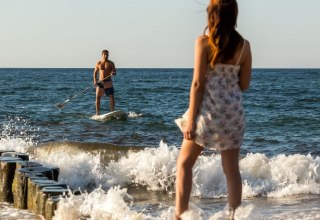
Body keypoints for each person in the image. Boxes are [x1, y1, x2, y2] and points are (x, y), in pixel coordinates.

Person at [174, 0, 252, 219]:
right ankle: (235, 215)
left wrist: (190, 120)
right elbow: (244, 85)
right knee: (231, 171)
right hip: (232, 117)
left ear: (211, 15)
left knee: (184, 164)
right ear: (234, 15)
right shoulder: (244, 46)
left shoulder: (204, 43)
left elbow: (198, 84)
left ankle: (180, 214)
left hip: (206, 115)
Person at [93, 49, 117, 115]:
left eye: (107, 55)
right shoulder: (99, 63)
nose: (106, 56)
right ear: (102, 55)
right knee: (98, 97)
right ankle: (97, 113)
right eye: (105, 55)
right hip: (100, 82)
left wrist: (113, 73)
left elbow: (115, 72)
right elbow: (95, 72)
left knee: (111, 96)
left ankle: (112, 111)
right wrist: (95, 81)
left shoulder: (111, 63)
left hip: (108, 81)